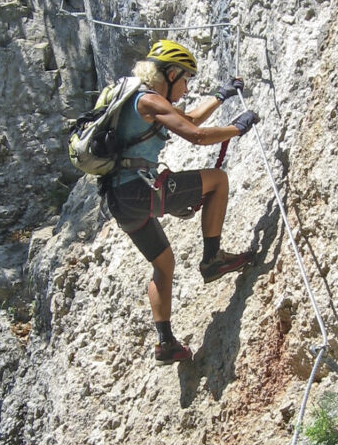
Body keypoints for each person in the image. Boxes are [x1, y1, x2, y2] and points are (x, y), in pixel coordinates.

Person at [103, 39, 260, 363]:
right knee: (218, 181)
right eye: (186, 79)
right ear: (171, 73)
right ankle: (212, 258)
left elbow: (190, 118)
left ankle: (165, 343)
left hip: (119, 199)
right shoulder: (149, 101)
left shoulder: (141, 99)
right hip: (139, 190)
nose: (186, 88)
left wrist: (221, 95)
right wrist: (236, 128)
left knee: (163, 264)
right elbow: (196, 136)